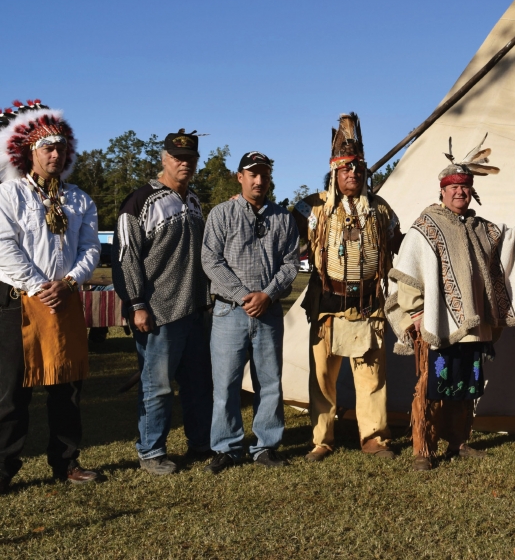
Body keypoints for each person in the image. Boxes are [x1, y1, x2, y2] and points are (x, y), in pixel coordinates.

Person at [386, 135, 515, 471]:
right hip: (435, 325)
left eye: (465, 186)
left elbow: (511, 240)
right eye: (453, 186)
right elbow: (408, 271)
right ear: (442, 190)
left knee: (465, 387)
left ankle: (458, 441)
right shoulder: (426, 227)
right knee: (432, 388)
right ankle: (423, 449)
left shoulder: (480, 228)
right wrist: (416, 313)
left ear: (472, 190)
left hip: (472, 328)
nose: (460, 191)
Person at [0, 100, 101, 492]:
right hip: (18, 301)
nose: (56, 155)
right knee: (13, 391)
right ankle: (4, 468)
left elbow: (90, 248)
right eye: (48, 148)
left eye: (60, 149)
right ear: (30, 151)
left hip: (66, 299)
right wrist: (40, 285)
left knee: (67, 387)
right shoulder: (9, 194)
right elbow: (5, 246)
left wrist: (70, 282)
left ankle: (66, 462)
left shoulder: (79, 199)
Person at [291, 114, 402, 461]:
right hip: (327, 301)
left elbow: (402, 245)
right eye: (346, 168)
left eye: (358, 168)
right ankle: (322, 439)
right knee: (322, 376)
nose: (353, 173)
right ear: (335, 173)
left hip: (368, 301)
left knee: (371, 376)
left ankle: (374, 438)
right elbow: (280, 232)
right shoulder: (313, 207)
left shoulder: (381, 210)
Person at [113, 129, 213, 476]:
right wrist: (136, 303)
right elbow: (126, 257)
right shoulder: (140, 202)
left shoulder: (196, 201)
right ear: (163, 159)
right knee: (156, 388)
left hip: (197, 309)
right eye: (177, 157)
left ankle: (200, 443)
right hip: (159, 312)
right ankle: (152, 451)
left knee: (199, 385)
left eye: (190, 159)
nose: (184, 163)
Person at [201, 151, 299, 473]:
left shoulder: (283, 219)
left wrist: (267, 295)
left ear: (270, 178)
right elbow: (211, 261)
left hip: (268, 313)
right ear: (239, 177)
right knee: (225, 383)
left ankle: (265, 446)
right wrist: (245, 296)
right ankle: (226, 447)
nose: (259, 180)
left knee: (269, 382)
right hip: (230, 312)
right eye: (252, 174)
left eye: (264, 174)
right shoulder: (222, 214)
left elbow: (290, 264)